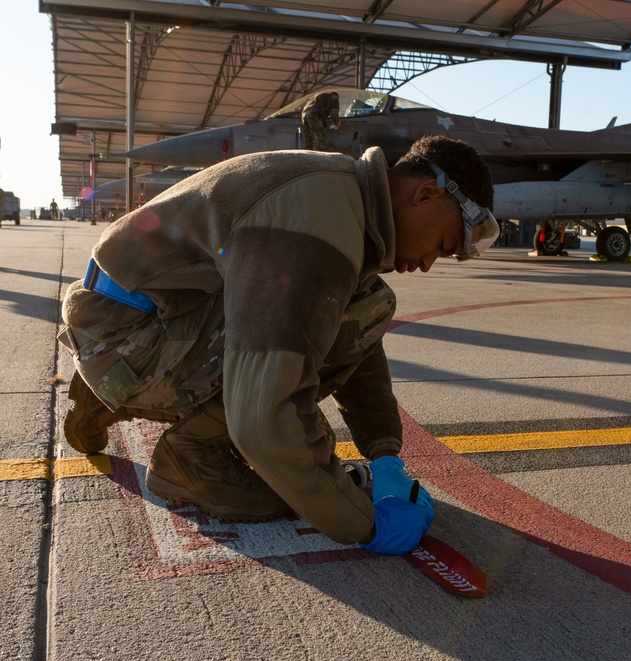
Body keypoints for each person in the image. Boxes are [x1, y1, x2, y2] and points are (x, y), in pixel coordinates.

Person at [58, 135, 498, 556]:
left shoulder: (338, 192)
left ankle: (103, 395)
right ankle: (190, 455)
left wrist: (384, 454)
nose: (425, 264)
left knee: (361, 303)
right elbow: (264, 416)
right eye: (441, 245)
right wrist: (363, 522)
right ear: (425, 195)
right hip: (127, 343)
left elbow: (355, 341)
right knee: (292, 453)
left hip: (121, 323)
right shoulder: (318, 220)